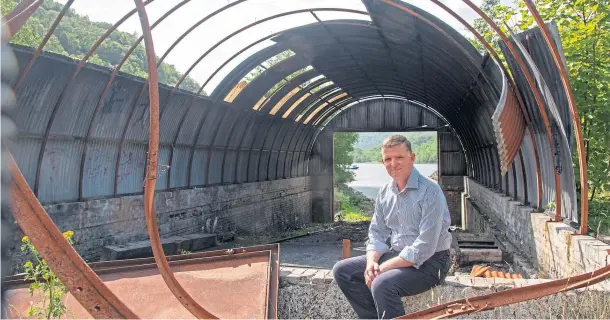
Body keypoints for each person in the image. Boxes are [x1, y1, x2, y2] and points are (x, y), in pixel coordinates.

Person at [332, 134, 452, 319]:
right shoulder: (385, 192)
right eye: (388, 159)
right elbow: (377, 233)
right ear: (382, 161)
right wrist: (372, 262)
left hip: (432, 262)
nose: (393, 163)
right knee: (342, 271)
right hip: (399, 255)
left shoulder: (430, 191)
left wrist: (384, 267)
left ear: (412, 158)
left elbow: (425, 246)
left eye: (399, 157)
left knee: (382, 283)